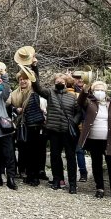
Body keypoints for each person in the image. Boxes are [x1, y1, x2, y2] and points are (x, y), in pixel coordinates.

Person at [32, 63, 80, 193]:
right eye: (57, 80)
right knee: (55, 157)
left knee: (70, 157)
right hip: (53, 130)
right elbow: (37, 87)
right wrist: (35, 68)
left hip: (67, 131)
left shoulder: (72, 97)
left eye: (62, 80)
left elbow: (79, 112)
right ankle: (57, 180)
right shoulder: (49, 93)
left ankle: (72, 184)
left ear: (66, 82)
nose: (59, 82)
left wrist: (74, 122)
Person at [78, 81, 111, 199]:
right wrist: (84, 90)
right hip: (94, 139)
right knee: (96, 163)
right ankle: (100, 188)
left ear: (106, 91)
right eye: (97, 89)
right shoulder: (89, 102)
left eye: (102, 90)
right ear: (92, 91)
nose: (100, 92)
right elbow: (80, 101)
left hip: (109, 139)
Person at [8, 69, 45, 186]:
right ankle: (28, 174)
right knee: (25, 152)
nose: (23, 81)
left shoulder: (34, 91)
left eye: (25, 78)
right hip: (22, 126)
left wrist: (34, 67)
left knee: (35, 152)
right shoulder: (14, 94)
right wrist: (15, 109)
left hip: (34, 125)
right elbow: (10, 105)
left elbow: (36, 80)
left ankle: (35, 177)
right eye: (20, 79)